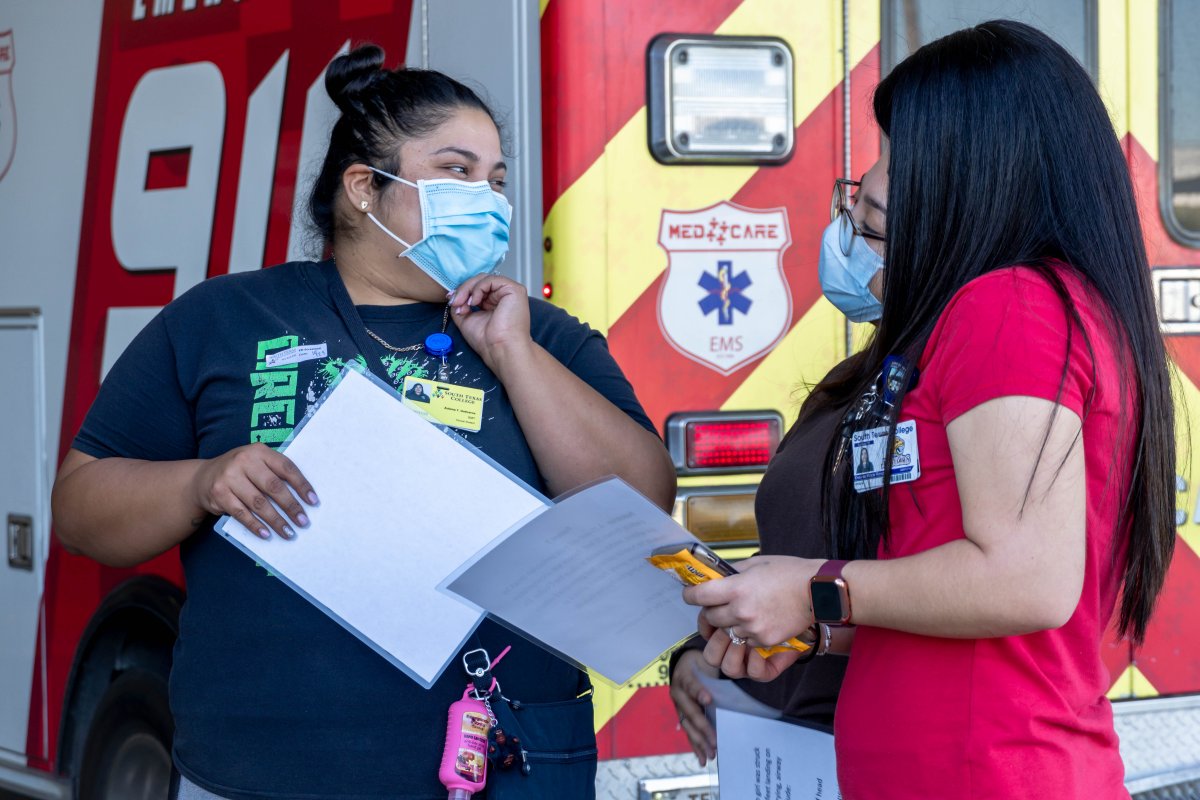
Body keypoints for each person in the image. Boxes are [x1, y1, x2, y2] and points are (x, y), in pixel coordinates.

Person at [51, 45, 676, 800]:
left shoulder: (541, 335)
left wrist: (513, 353)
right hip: (259, 773)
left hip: (497, 765)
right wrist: (203, 483)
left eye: (497, 179)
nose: (489, 196)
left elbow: (641, 502)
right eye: (457, 171)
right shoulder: (223, 318)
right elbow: (82, 508)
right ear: (364, 189)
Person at [683, 20, 1175, 799]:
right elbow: (958, 598)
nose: (871, 190)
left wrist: (817, 586)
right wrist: (816, 628)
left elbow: (1024, 582)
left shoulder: (1009, 306)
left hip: (987, 772)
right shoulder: (997, 313)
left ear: (970, 176)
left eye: (897, 157)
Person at [667, 159, 889, 765]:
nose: (845, 240)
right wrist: (702, 657)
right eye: (850, 209)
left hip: (870, 748)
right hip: (793, 742)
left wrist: (813, 605)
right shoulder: (860, 378)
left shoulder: (949, 391)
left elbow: (964, 594)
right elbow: (796, 558)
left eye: (868, 226)